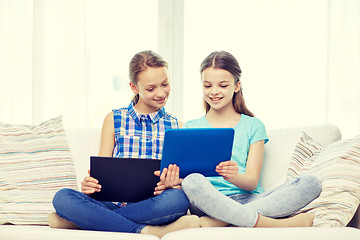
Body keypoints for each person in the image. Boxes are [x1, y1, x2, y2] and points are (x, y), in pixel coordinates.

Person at [48, 50, 199, 237]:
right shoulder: (114, 119)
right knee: (62, 197)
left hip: (154, 204)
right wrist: (91, 184)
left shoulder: (178, 126)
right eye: (151, 89)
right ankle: (144, 229)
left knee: (178, 199)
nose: (161, 93)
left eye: (165, 84)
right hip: (112, 201)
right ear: (134, 87)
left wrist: (173, 183)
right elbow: (101, 171)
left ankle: (85, 221)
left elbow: (178, 177)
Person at [178, 50, 322, 228]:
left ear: (237, 86)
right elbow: (185, 179)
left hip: (250, 199)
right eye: (207, 86)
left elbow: (251, 182)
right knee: (191, 181)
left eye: (222, 85)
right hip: (209, 203)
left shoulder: (254, 125)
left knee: (311, 183)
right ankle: (271, 224)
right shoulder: (190, 127)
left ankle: (222, 221)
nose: (214, 92)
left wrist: (233, 176)